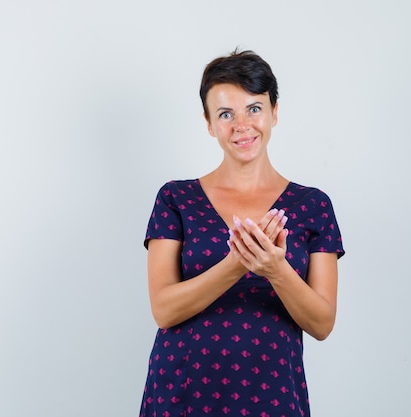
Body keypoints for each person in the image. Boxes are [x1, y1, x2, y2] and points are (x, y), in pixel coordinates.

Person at [139, 49, 345, 417]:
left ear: (274, 112)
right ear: (208, 123)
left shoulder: (313, 205)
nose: (242, 125)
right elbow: (163, 310)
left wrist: (276, 270)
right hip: (182, 394)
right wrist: (237, 264)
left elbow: (322, 323)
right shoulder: (175, 197)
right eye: (225, 114)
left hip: (274, 397)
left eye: (254, 108)